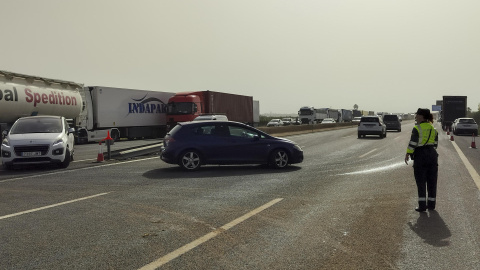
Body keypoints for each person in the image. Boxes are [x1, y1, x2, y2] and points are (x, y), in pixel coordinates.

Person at [405, 108, 439, 212]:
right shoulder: (434, 129)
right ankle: (431, 205)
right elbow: (435, 145)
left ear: (422, 116)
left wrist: (408, 153)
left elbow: (413, 143)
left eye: (417, 115)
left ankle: (422, 206)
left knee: (421, 182)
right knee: (432, 182)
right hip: (432, 156)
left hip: (421, 156)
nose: (415, 117)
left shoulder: (417, 128)